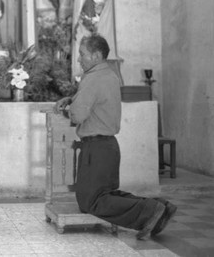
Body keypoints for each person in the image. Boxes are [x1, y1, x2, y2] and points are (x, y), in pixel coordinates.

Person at [54, 34, 177, 240]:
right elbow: (95, 101)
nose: (79, 59)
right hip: (108, 146)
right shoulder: (109, 75)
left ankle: (150, 210)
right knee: (104, 195)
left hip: (95, 147)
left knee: (90, 202)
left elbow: (79, 114)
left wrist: (68, 110)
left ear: (96, 55)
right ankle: (160, 207)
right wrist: (72, 99)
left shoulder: (93, 79)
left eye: (82, 54)